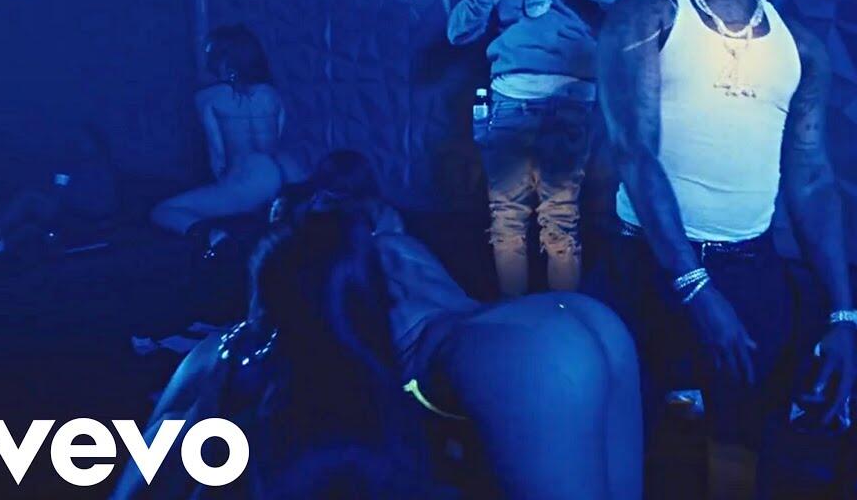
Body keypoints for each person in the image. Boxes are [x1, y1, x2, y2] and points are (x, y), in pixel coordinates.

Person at [115, 150, 642, 499]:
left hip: (495, 352)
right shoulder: (392, 237)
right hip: (568, 316)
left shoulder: (312, 271)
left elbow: (159, 446)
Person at [597, 0, 857, 494]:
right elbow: (635, 154)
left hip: (749, 270)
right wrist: (696, 289)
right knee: (627, 435)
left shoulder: (802, 50)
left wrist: (844, 312)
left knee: (739, 440)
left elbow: (812, 177)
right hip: (646, 267)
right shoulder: (646, 16)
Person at [448, 0, 643, 297]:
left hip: (568, 100)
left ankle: (562, 318)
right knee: (506, 216)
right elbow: (457, 32)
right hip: (508, 100)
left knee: (559, 217)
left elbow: (634, 1)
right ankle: (517, 315)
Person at [151, 25, 286, 249]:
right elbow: (277, 142)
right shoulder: (273, 95)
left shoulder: (207, 98)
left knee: (163, 210)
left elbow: (217, 155)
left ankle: (215, 239)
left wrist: (225, 191)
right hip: (279, 180)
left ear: (224, 59)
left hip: (247, 185)